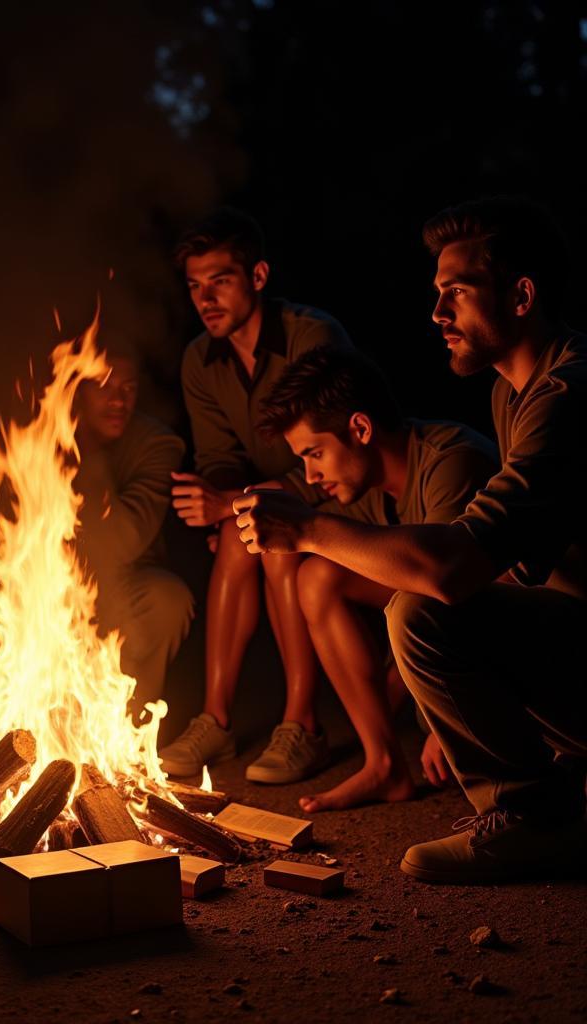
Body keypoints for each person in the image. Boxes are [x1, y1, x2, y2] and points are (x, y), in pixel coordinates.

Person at [235, 196, 587, 883]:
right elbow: (522, 570)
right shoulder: (512, 394)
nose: (437, 314)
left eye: (456, 293)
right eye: (436, 295)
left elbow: (458, 571)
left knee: (420, 611)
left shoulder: (566, 398)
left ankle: (535, 818)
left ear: (521, 296)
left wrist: (307, 528)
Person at [258, 346, 497, 811]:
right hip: (452, 627)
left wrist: (440, 726)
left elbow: (460, 589)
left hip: (532, 647)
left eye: (315, 453)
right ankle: (384, 765)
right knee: (317, 577)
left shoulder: (454, 463)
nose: (310, 473)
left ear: (361, 429)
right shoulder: (367, 491)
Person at [160, 208, 353, 782]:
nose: (205, 298)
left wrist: (235, 502)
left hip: (337, 492)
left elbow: (337, 449)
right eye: (195, 285)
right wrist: (217, 499)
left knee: (268, 536)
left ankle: (302, 725)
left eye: (220, 280)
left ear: (259, 277)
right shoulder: (200, 359)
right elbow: (220, 459)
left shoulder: (311, 336)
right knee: (236, 529)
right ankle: (215, 721)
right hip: (262, 499)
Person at [73, 346, 193, 713]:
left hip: (120, 582)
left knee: (168, 600)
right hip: (44, 586)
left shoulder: (156, 444)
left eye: (129, 388)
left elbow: (123, 543)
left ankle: (128, 734)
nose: (119, 401)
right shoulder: (35, 435)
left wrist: (89, 456)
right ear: (76, 389)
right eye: (104, 387)